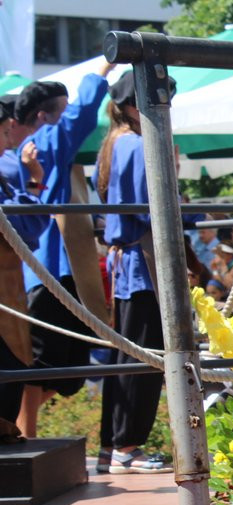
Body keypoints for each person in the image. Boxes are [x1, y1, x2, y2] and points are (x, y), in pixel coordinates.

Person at [15, 65, 114, 438]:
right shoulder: (46, 142)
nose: (71, 115)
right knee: (43, 365)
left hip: (60, 270)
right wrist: (106, 67)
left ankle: (16, 428)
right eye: (63, 108)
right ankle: (23, 435)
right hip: (46, 271)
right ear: (44, 116)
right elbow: (84, 112)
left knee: (69, 371)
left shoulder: (40, 148)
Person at [93, 71, 175, 474]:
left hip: (125, 260)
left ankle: (113, 446)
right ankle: (129, 446)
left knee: (125, 357)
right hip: (142, 260)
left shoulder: (111, 145)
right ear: (132, 105)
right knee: (145, 357)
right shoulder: (139, 146)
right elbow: (152, 205)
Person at [0, 97, 48, 432]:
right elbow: (28, 227)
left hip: (8, 285)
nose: (8, 141)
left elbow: (28, 232)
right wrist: (34, 180)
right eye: (3, 132)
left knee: (15, 361)